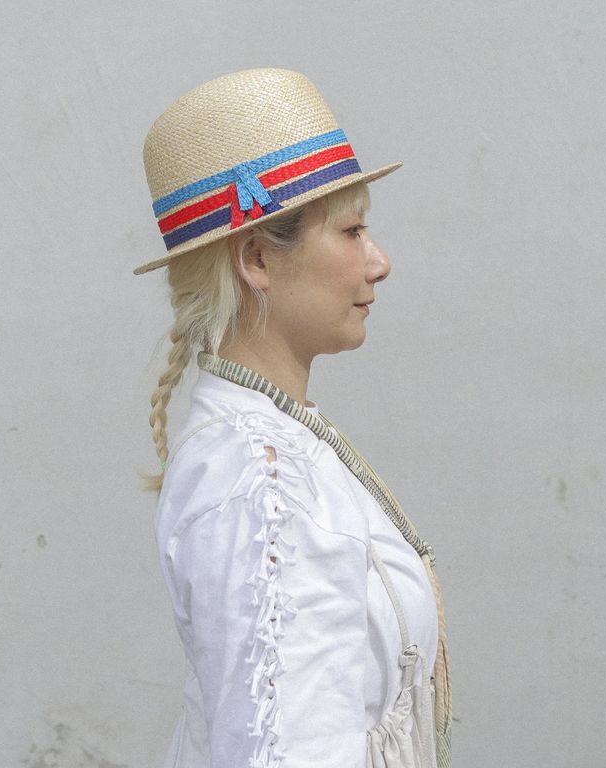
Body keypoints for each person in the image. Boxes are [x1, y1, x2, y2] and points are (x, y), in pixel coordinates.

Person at [135, 68, 452, 768]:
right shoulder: (261, 478)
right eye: (352, 230)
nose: (379, 262)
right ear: (256, 259)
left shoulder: (279, 444)